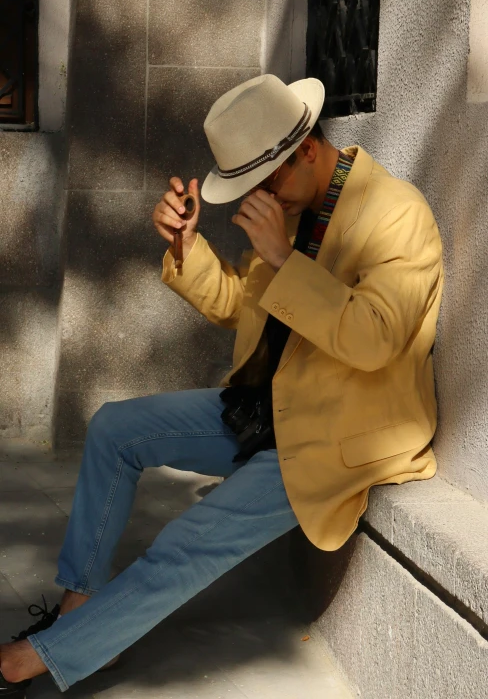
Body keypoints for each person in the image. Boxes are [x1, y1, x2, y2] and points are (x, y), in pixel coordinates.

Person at [0, 74, 443, 696]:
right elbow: (244, 305)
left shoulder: (398, 213)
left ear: (308, 150)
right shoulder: (297, 207)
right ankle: (80, 613)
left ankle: (33, 660)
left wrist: (285, 261)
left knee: (189, 541)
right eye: (250, 187)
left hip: (342, 431)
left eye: (267, 182)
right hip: (269, 405)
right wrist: (189, 247)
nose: (261, 198)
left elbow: (374, 340)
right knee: (115, 429)